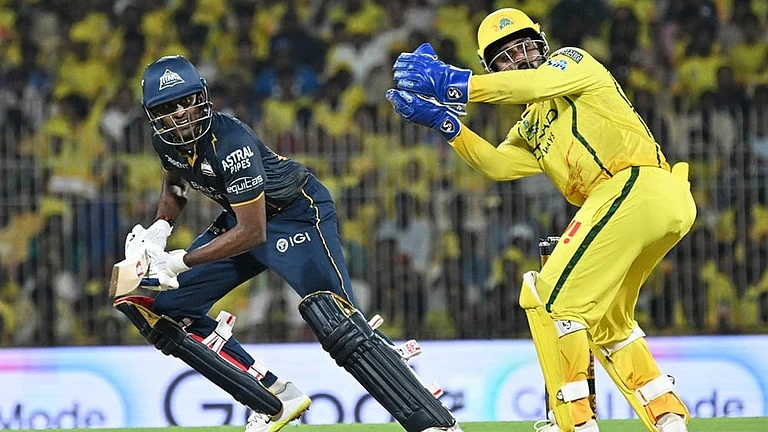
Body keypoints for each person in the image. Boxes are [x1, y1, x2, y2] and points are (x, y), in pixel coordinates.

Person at [386, 8, 695, 432]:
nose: (520, 59)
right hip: (638, 204)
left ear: (543, 44)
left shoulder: (572, 62)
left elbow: (534, 82)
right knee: (608, 322)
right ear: (493, 68)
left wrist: (452, 83)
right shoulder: (530, 124)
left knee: (546, 296)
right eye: (505, 57)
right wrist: (445, 124)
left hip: (636, 187)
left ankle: (574, 422)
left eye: (525, 47)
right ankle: (668, 415)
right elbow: (498, 164)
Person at [122, 55, 462, 432]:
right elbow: (176, 182)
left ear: (203, 97)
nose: (183, 113)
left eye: (188, 101)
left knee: (336, 322)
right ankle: (273, 399)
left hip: (296, 214)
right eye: (170, 107)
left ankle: (427, 414)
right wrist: (160, 228)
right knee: (165, 308)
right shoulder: (164, 142)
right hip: (243, 218)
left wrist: (179, 262)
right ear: (154, 115)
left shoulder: (231, 141)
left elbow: (254, 233)